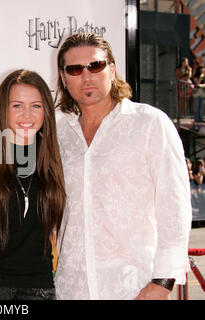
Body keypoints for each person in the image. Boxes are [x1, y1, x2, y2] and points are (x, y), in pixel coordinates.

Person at [54, 33, 191, 300]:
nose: (86, 76)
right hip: (71, 288)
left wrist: (162, 283)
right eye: (74, 69)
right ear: (63, 78)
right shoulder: (59, 136)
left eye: (96, 66)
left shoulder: (149, 124)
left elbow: (174, 208)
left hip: (134, 287)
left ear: (112, 70)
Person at [0, 69, 66, 300]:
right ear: (3, 109)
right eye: (17, 105)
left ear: (46, 111)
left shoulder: (55, 155)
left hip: (39, 285)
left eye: (36, 106)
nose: (27, 114)